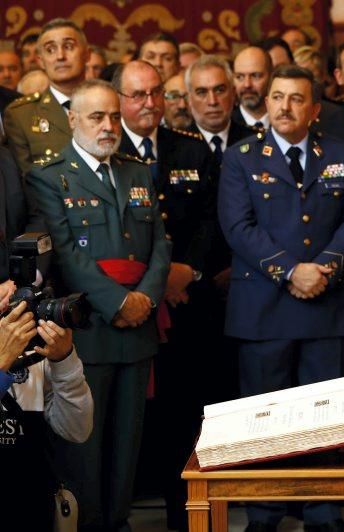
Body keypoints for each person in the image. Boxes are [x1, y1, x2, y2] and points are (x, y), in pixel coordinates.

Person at [218, 64, 344, 532]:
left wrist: (321, 268)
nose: (284, 106)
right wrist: (290, 271)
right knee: (263, 419)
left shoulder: (341, 153)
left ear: (315, 108)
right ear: (266, 104)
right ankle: (265, 512)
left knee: (325, 421)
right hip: (263, 308)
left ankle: (322, 512)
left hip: (326, 304)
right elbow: (238, 227)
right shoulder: (242, 156)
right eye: (277, 97)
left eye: (296, 98)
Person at [27, 78, 171, 531]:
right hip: (88, 330)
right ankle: (88, 524)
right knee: (83, 446)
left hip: (139, 327)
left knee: (127, 443)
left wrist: (145, 297)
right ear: (72, 120)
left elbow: (161, 246)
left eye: (113, 115)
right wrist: (119, 303)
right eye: (96, 116)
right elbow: (67, 256)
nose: (108, 126)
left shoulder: (136, 170)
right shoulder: (49, 176)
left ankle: (119, 520)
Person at [113, 59, 217, 530]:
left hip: (185, 301)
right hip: (128, 305)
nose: (150, 104)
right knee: (132, 411)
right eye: (138, 95)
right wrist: (153, 282)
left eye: (158, 93)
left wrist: (187, 271)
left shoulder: (191, 149)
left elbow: (213, 219)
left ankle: (183, 510)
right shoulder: (105, 151)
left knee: (183, 408)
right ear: (117, 100)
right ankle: (128, 500)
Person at [0, 300, 93, 532]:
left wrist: (64, 361)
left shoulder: (32, 347)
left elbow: (76, 430)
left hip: (32, 505)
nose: (11, 291)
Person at [3, 18, 90, 175]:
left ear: (87, 54)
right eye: (50, 50)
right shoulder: (21, 115)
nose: (60, 56)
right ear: (41, 61)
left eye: (68, 46)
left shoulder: (113, 104)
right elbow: (26, 182)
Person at [232, 46, 273, 131]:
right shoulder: (225, 126)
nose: (247, 85)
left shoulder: (286, 122)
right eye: (240, 77)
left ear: (271, 77)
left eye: (255, 76)